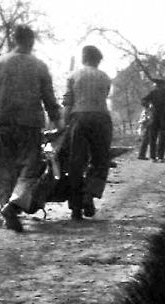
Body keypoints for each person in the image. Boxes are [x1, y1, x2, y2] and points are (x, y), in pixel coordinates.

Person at [0, 25, 63, 232]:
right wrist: (57, 121)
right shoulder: (39, 66)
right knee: (29, 170)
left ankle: (7, 214)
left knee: (3, 171)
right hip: (30, 125)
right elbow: (49, 98)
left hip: (3, 124)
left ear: (14, 40)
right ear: (31, 41)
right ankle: (12, 206)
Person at [62, 45, 112, 220]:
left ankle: (76, 208)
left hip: (79, 117)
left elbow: (68, 102)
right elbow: (104, 95)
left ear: (83, 58)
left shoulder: (73, 76)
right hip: (101, 118)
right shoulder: (105, 77)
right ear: (98, 60)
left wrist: (64, 125)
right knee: (101, 160)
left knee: (76, 162)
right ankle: (89, 195)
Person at [141, 79, 165, 162]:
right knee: (155, 137)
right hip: (157, 117)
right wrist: (148, 105)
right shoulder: (156, 93)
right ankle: (156, 156)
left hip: (162, 118)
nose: (158, 87)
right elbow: (143, 100)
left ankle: (157, 156)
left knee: (159, 138)